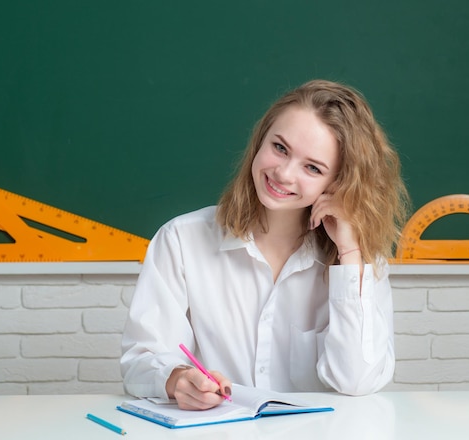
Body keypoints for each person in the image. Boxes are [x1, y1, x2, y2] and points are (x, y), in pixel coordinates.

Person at [121, 79, 410, 410]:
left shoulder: (360, 263)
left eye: (312, 168)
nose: (284, 173)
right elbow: (140, 362)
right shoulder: (181, 240)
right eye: (280, 148)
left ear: (339, 183)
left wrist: (349, 253)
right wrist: (176, 379)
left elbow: (358, 382)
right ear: (260, 142)